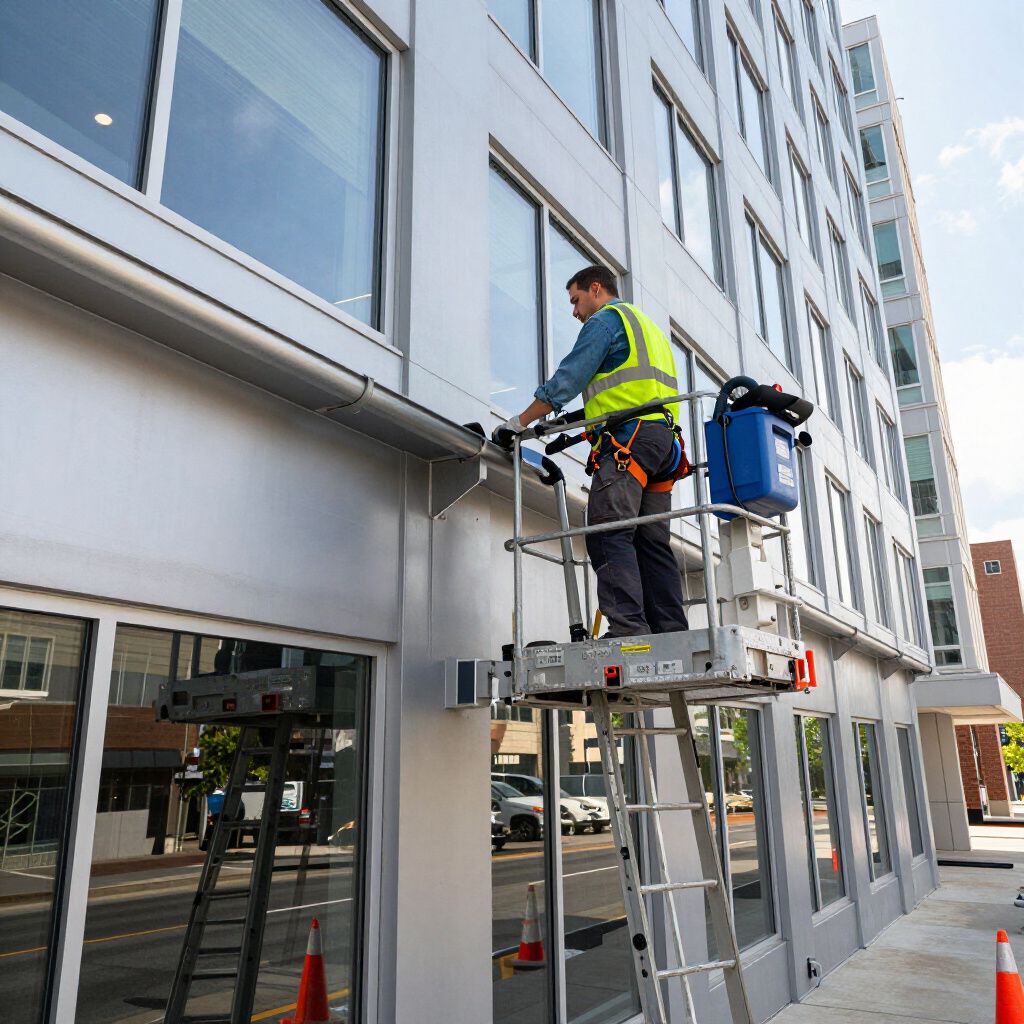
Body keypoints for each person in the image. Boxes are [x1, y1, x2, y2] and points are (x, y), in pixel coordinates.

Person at [494, 265, 687, 638]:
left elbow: (568, 379)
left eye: (576, 300)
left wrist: (517, 424)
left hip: (628, 443)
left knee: (607, 533)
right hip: (662, 444)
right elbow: (630, 390)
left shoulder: (604, 321)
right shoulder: (648, 328)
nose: (575, 311)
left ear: (595, 289)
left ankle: (629, 628)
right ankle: (671, 631)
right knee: (651, 542)